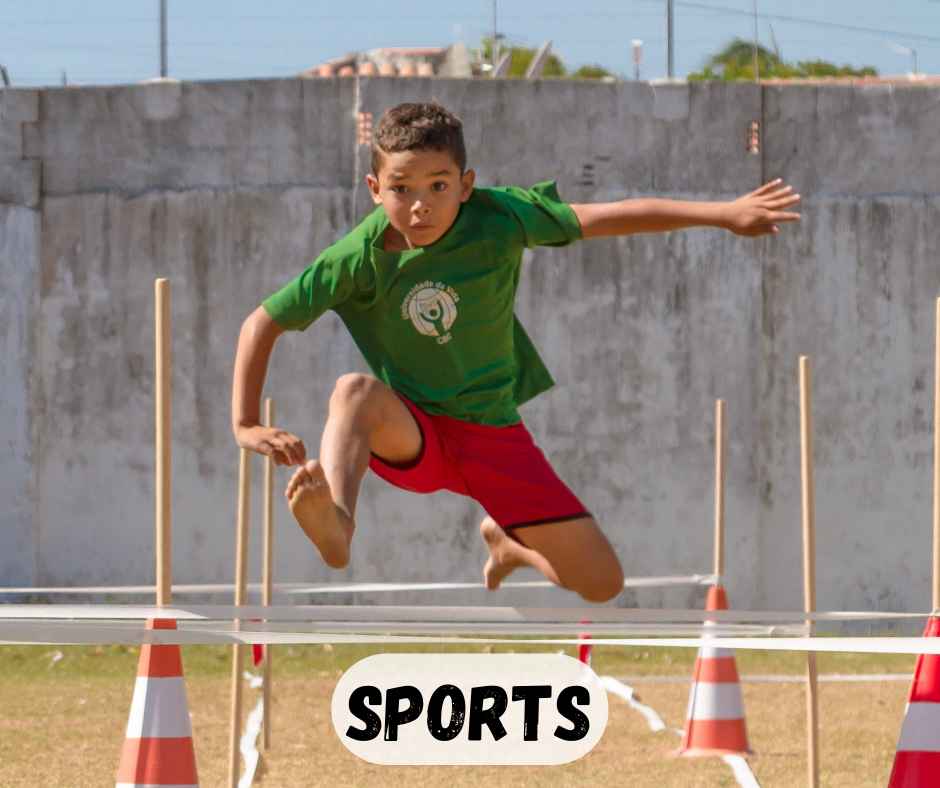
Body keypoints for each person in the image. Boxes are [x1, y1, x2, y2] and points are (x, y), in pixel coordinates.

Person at [231, 102, 800, 603]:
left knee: (602, 584)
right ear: (375, 189)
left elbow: (610, 215)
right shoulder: (355, 257)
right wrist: (245, 424)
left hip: (494, 437)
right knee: (352, 392)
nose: (420, 206)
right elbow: (262, 321)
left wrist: (723, 214)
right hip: (415, 431)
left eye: (438, 186)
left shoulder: (500, 217)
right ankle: (338, 524)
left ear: (466, 183)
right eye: (401, 189)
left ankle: (509, 545)